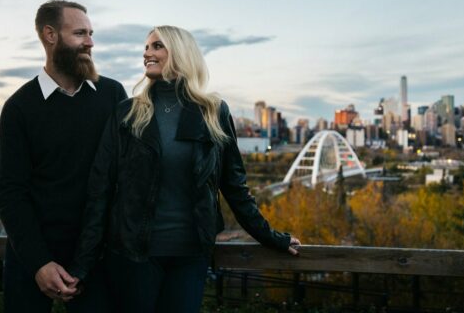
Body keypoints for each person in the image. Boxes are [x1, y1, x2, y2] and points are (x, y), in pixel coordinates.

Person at [69, 25, 301, 312]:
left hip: (191, 256)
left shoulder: (214, 112)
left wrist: (271, 237)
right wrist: (82, 264)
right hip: (134, 256)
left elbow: (234, 187)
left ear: (180, 53)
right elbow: (100, 191)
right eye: (145, 47)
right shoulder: (127, 113)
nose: (146, 53)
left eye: (156, 46)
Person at [0, 0, 128, 312]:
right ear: (50, 35)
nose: (91, 42)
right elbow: (11, 192)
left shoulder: (112, 96)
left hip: (98, 257)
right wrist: (39, 263)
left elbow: (128, 175)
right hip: (32, 257)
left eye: (91, 33)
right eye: (80, 33)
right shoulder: (18, 108)